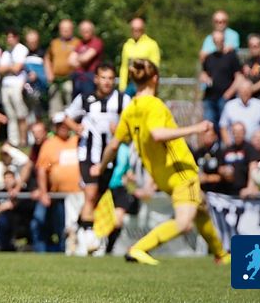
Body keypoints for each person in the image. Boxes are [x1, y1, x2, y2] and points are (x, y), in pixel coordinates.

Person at [94, 59, 229, 266]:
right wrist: (196, 128)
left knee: (200, 208)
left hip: (162, 176)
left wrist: (101, 167)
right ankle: (139, 248)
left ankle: (221, 255)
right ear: (155, 78)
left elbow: (113, 145)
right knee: (184, 223)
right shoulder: (154, 104)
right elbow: (157, 134)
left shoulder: (130, 108)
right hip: (181, 172)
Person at [62, 63, 130, 255]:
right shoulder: (85, 98)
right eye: (103, 78)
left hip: (110, 157)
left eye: (110, 78)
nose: (107, 82)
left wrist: (121, 131)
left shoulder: (122, 100)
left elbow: (131, 126)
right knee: (90, 195)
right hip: (88, 155)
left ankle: (77, 228)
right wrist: (76, 128)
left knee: (96, 198)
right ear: (96, 79)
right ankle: (88, 241)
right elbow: (66, 117)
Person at [31, 118, 80, 254]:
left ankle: (74, 251)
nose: (63, 127)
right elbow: (42, 169)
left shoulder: (77, 140)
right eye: (59, 125)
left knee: (75, 227)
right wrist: (43, 192)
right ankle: (61, 251)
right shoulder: (49, 144)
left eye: (65, 125)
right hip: (59, 196)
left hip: (79, 195)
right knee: (60, 227)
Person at [200, 30, 241, 131]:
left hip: (225, 98)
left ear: (224, 40)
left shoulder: (231, 57)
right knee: (209, 128)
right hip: (210, 97)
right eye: (216, 40)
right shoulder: (209, 58)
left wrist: (229, 93)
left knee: (225, 128)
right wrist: (204, 77)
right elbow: (204, 73)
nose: (218, 42)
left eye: (220, 40)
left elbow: (239, 77)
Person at [217, 81, 260, 150]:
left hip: (255, 147)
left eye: (247, 90)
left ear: (251, 91)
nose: (245, 92)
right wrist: (228, 145)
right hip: (234, 147)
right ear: (238, 91)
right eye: (243, 90)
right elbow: (223, 126)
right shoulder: (230, 105)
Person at [0, 29, 30, 147]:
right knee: (10, 115)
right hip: (6, 85)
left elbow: (17, 68)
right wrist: (10, 67)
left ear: (17, 37)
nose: (9, 40)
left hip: (17, 84)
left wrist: (8, 68)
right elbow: (0, 69)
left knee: (21, 114)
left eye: (11, 37)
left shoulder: (22, 49)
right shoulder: (6, 52)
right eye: (8, 37)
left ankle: (23, 140)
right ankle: (13, 140)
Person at [45, 19, 80, 118]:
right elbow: (47, 59)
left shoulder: (77, 43)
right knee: (54, 107)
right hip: (55, 80)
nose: (65, 31)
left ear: (72, 30)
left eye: (68, 29)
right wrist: (49, 73)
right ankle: (55, 125)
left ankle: (71, 124)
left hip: (70, 80)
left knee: (70, 105)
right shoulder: (54, 43)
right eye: (63, 29)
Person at [118, 18, 160, 95]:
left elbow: (154, 68)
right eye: (133, 29)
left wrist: (153, 87)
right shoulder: (127, 45)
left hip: (146, 84)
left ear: (143, 30)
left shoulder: (152, 44)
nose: (136, 32)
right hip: (131, 83)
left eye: (138, 29)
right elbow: (124, 67)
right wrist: (122, 87)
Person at [70, 20, 104, 99]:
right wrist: (81, 58)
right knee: (76, 103)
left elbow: (85, 59)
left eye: (88, 30)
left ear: (92, 31)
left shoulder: (96, 42)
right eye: (83, 30)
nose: (85, 32)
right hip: (77, 78)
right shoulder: (80, 43)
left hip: (90, 79)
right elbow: (70, 61)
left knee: (89, 101)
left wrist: (78, 58)